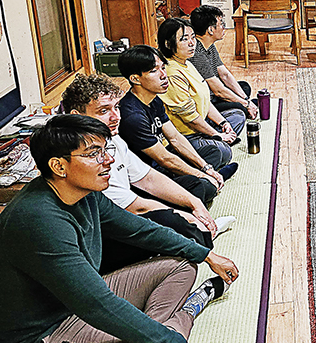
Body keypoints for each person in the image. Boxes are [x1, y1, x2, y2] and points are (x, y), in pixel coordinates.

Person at [0, 114, 239, 343]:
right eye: (94, 154)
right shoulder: (39, 220)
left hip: (72, 310)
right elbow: (96, 304)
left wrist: (206, 255)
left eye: (105, 150)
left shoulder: (83, 193)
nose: (108, 160)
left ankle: (155, 337)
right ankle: (187, 312)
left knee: (181, 265)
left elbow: (141, 230)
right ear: (59, 166)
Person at [61, 74, 233, 273]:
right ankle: (202, 235)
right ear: (77, 115)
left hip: (127, 208)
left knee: (195, 191)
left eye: (116, 107)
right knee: (173, 224)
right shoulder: (79, 156)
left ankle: (199, 233)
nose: (116, 117)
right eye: (104, 111)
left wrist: (194, 203)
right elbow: (135, 207)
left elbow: (148, 178)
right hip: (105, 233)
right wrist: (186, 217)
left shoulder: (112, 139)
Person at [118, 45, 238, 198]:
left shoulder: (153, 99)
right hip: (148, 175)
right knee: (201, 187)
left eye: (163, 68)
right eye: (154, 71)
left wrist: (206, 168)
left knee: (214, 152)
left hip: (164, 162)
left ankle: (210, 179)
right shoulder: (132, 116)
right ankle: (209, 182)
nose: (164, 75)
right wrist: (202, 175)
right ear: (135, 79)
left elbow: (175, 137)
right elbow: (164, 159)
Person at [158, 18, 244, 170]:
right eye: (184, 39)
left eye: (193, 38)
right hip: (186, 135)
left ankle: (217, 141)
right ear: (168, 44)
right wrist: (217, 135)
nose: (192, 43)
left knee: (238, 116)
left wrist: (223, 123)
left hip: (202, 125)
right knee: (223, 152)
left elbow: (205, 100)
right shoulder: (171, 73)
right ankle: (213, 149)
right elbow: (190, 118)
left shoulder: (186, 62)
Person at [189, 5, 259, 120]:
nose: (224, 28)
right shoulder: (197, 54)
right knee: (239, 107)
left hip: (216, 94)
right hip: (208, 102)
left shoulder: (209, 45)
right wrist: (246, 104)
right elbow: (218, 90)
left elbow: (224, 74)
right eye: (221, 24)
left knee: (244, 87)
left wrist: (246, 100)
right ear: (210, 30)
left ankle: (247, 107)